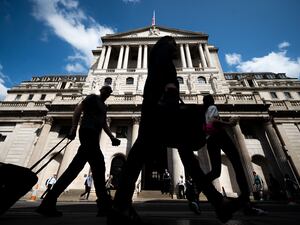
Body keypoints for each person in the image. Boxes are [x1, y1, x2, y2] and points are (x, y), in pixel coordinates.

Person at [108, 36, 243, 225]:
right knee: (184, 156)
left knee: (142, 160)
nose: (176, 48)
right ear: (165, 47)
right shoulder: (166, 64)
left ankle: (120, 206)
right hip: (164, 117)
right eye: (173, 44)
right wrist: (176, 105)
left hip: (150, 117)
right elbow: (170, 89)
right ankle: (218, 201)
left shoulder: (154, 66)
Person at [36, 85, 121, 217]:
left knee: (79, 169)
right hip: (87, 133)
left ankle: (48, 202)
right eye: (106, 90)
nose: (108, 92)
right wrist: (73, 129)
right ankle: (103, 205)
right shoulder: (92, 98)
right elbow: (78, 110)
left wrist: (112, 137)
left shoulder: (104, 107)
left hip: (94, 135)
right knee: (97, 167)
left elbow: (103, 123)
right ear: (101, 90)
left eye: (110, 91)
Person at [200, 94, 266, 215]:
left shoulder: (202, 112)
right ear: (212, 101)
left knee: (215, 171)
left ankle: (196, 186)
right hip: (220, 135)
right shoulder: (212, 107)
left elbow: (207, 124)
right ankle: (246, 201)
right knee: (237, 165)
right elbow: (213, 121)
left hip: (210, 140)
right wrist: (229, 123)